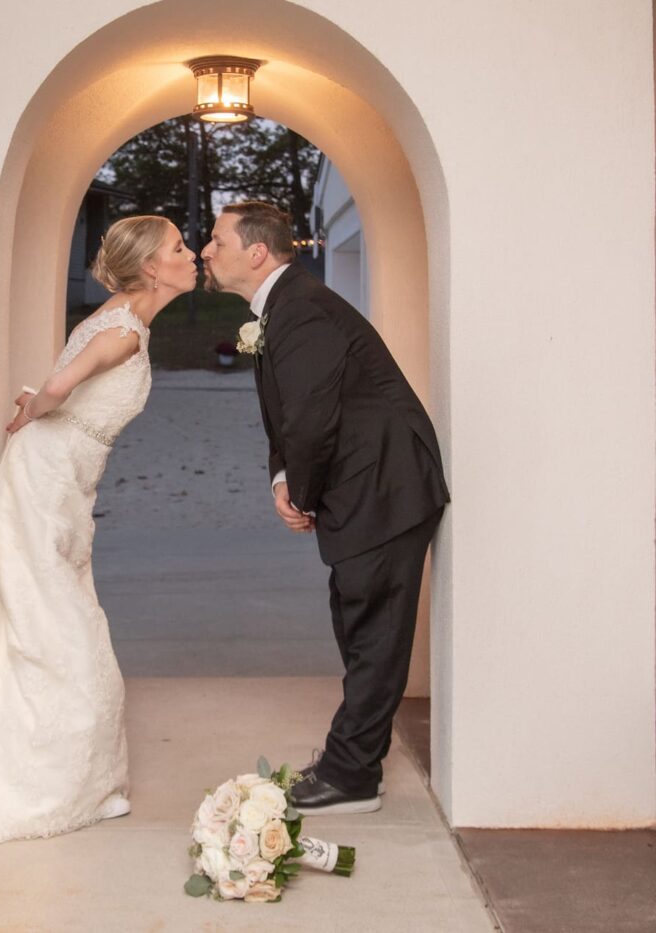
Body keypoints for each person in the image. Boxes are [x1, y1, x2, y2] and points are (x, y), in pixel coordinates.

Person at [0, 216, 198, 842]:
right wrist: (35, 408)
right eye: (178, 248)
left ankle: (88, 783)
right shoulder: (124, 335)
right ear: (150, 269)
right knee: (63, 631)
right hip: (47, 482)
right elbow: (58, 386)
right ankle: (48, 784)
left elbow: (65, 388)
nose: (191, 255)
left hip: (68, 485)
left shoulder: (125, 322)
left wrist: (45, 407)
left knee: (66, 619)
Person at [201, 201, 450, 815]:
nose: (206, 250)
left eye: (215, 239)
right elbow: (291, 417)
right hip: (365, 483)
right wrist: (283, 474)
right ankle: (356, 762)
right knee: (359, 623)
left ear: (256, 252)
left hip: (385, 487)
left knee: (374, 631)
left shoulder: (302, 309)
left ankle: (352, 776)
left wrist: (301, 494)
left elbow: (312, 417)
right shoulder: (285, 306)